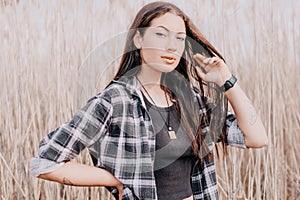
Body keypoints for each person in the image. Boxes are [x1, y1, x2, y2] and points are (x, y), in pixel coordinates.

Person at [30, 2, 268, 200]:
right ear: (138, 40)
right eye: (161, 34)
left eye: (179, 38)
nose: (171, 46)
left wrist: (227, 81)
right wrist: (113, 178)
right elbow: (44, 163)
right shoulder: (116, 101)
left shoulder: (191, 101)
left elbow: (256, 138)